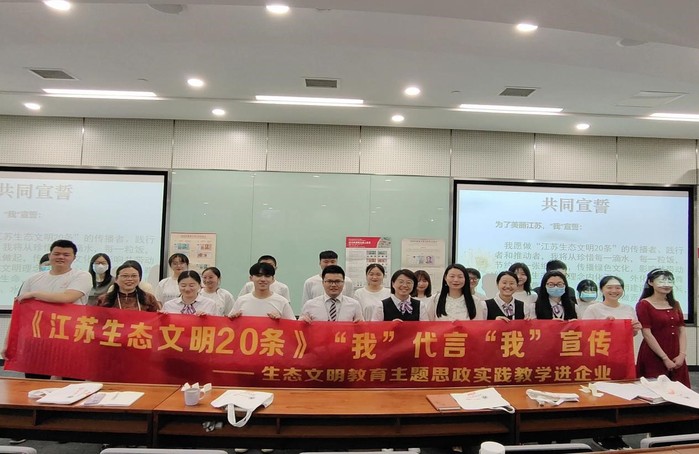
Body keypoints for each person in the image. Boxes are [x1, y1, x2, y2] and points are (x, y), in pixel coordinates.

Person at [12, 239, 92, 379]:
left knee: (72, 382)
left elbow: (68, 297)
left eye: (66, 255)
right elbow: (20, 311)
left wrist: (35, 294)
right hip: (38, 337)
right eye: (57, 254)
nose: (61, 257)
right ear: (50, 255)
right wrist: (9, 342)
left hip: (70, 335)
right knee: (36, 382)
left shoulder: (82, 276)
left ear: (74, 257)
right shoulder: (33, 279)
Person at [636, 269, 689, 387]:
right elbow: (647, 333)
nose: (666, 285)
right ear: (650, 282)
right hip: (654, 353)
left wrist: (682, 355)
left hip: (676, 353)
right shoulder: (644, 304)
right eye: (661, 281)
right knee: (655, 389)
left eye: (670, 281)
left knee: (679, 390)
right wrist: (664, 358)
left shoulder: (675, 303)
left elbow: (682, 331)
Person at [229, 262, 295, 320]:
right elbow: (230, 323)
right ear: (251, 278)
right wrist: (234, 319)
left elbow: (293, 326)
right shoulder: (241, 301)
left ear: (272, 279)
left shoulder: (282, 302)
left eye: (267, 276)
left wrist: (280, 321)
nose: (263, 279)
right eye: (258, 276)